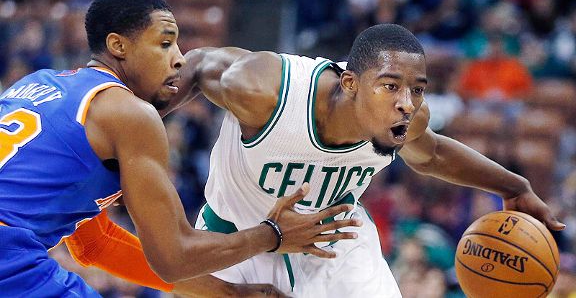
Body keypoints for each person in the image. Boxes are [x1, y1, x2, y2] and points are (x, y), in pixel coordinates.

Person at [0, 0, 361, 297]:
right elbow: (174, 256)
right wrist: (274, 235)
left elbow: (95, 244)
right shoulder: (128, 112)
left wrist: (227, 293)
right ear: (118, 46)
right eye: (165, 43)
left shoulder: (38, 85)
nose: (179, 59)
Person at [163, 23, 566, 297]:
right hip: (237, 242)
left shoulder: (407, 118)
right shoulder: (266, 89)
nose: (406, 104)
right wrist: (130, 130)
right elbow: (197, 64)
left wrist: (514, 186)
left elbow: (434, 154)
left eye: (417, 90)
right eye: (389, 86)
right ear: (351, 84)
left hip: (337, 245)